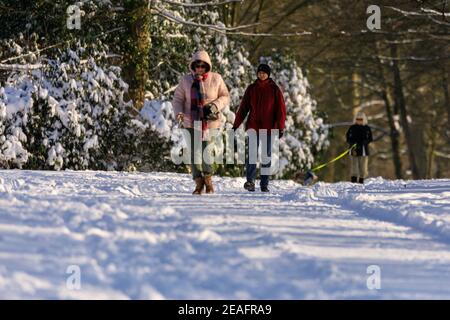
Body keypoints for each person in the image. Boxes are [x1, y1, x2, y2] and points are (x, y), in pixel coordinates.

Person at [172, 50, 230, 195]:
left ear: (207, 66)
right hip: (190, 121)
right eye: (197, 65)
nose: (200, 69)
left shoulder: (216, 79)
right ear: (193, 66)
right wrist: (178, 112)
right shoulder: (186, 80)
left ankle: (208, 180)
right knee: (193, 154)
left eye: (203, 66)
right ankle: (198, 183)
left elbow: (225, 96)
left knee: (207, 152)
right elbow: (178, 99)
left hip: (210, 123)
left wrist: (215, 105)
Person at [232, 64, 286, 192]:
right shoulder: (251, 89)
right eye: (260, 72)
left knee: (265, 157)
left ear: (268, 74)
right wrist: (235, 125)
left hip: (268, 128)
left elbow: (281, 110)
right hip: (253, 126)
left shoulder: (274, 89)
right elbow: (243, 108)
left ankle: (264, 184)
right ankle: (250, 181)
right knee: (251, 155)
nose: (261, 74)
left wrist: (280, 127)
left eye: (264, 73)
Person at [346, 112, 373, 184]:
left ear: (364, 119)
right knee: (354, 165)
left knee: (363, 166)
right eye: (357, 119)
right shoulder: (352, 128)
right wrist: (352, 143)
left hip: (363, 149)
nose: (359, 120)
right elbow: (348, 137)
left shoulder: (367, 128)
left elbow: (370, 138)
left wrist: (364, 142)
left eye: (361, 119)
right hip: (353, 149)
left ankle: (362, 179)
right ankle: (353, 179)